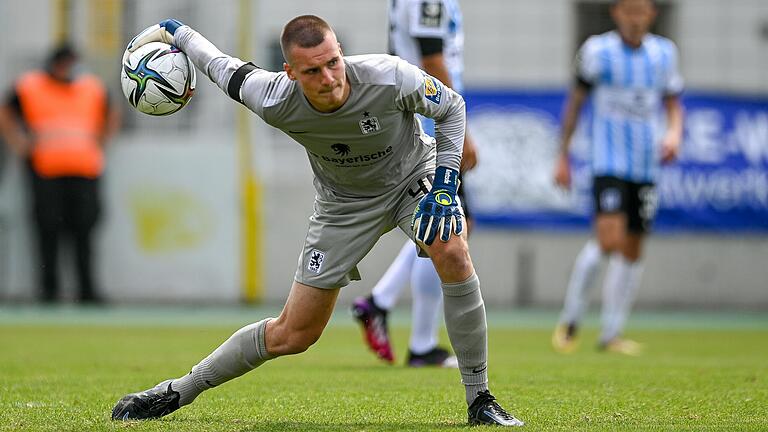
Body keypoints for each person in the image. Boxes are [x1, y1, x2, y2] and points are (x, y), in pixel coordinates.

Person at [110, 16, 523, 427]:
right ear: (290, 73)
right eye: (312, 71)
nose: (328, 78)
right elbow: (216, 64)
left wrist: (446, 185)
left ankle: (480, 399)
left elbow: (451, 106)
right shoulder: (271, 97)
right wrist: (174, 31)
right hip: (342, 206)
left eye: (333, 63)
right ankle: (178, 390)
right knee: (294, 334)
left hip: (412, 178)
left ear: (341, 52)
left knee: (451, 248)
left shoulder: (389, 76)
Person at [551, 0, 684, 355]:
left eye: (642, 12)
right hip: (607, 162)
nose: (636, 19)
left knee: (633, 247)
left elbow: (673, 104)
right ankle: (571, 320)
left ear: (652, 14)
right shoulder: (597, 51)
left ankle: (611, 333)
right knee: (608, 240)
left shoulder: (664, 54)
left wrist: (673, 134)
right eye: (629, 11)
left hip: (645, 166)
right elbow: (576, 101)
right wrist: (562, 154)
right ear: (616, 13)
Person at [351, 0, 477, 368]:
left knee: (449, 224)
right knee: (447, 224)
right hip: (429, 122)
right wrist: (459, 131)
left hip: (418, 118)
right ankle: (420, 342)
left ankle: (382, 302)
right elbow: (433, 60)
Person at [0, 44, 120, 304]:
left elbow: (112, 113)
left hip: (85, 170)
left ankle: (88, 292)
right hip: (46, 171)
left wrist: (101, 142)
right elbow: (6, 113)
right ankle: (48, 292)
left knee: (84, 232)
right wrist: (19, 143)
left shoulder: (91, 87)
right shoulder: (30, 86)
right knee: (48, 231)